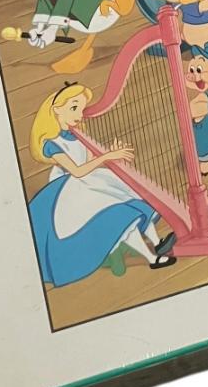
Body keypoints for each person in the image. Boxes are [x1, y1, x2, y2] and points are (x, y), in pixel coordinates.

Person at [27, 83, 176, 286]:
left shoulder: (78, 134)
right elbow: (77, 171)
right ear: (56, 110)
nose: (79, 115)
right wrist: (107, 156)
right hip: (71, 190)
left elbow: (90, 162)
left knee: (133, 199)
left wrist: (111, 155)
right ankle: (152, 259)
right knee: (120, 215)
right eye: (73, 108)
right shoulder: (51, 143)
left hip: (91, 180)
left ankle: (158, 243)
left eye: (81, 109)